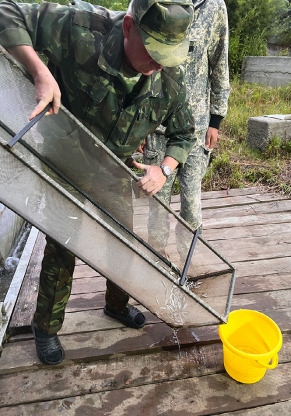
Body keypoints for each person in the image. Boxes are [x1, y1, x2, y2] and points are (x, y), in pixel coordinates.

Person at [0, 0, 197, 365]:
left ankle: (116, 306)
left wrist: (164, 169)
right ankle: (46, 328)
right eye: (153, 52)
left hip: (117, 169)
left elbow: (185, 134)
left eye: (168, 57)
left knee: (125, 241)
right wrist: (40, 71)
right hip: (66, 160)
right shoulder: (80, 27)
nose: (158, 66)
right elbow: (6, 11)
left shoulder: (169, 77)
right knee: (63, 245)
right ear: (128, 27)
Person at [143, 0, 229, 250]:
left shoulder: (214, 7)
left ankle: (188, 264)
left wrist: (216, 120)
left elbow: (219, 65)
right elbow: (141, 63)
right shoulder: (157, 3)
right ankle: (157, 262)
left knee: (191, 207)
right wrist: (139, 125)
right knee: (157, 205)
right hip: (158, 128)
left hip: (197, 128)